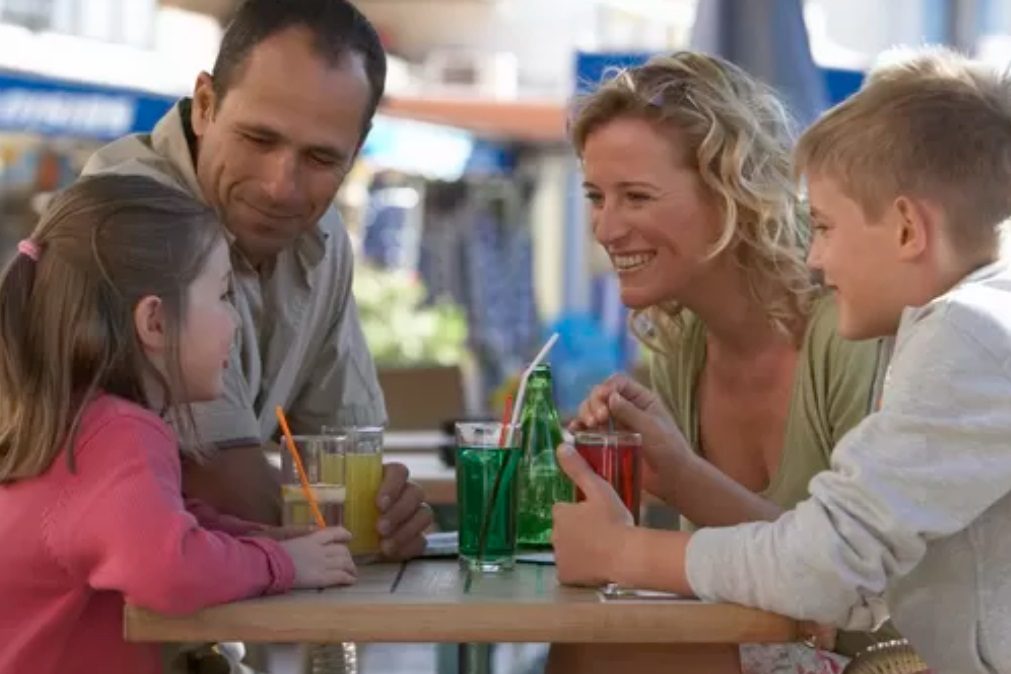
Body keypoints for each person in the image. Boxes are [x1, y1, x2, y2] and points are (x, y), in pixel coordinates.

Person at [553, 47, 1011, 674]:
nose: (814, 259)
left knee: (602, 652)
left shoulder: (959, 331)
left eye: (822, 227)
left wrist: (623, 552)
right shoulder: (684, 339)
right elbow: (851, 560)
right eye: (596, 197)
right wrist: (678, 477)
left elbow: (838, 574)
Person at [81, 0, 431, 558]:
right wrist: (346, 524)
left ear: (355, 155)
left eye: (320, 158)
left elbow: (345, 452)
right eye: (259, 139)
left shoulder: (323, 237)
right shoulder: (130, 214)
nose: (280, 187)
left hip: (198, 617)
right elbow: (221, 484)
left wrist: (385, 511)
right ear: (203, 106)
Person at [0, 175, 357, 674]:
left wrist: (260, 540)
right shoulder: (119, 433)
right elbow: (168, 568)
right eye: (223, 295)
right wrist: (285, 566)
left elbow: (168, 525)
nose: (234, 320)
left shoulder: (74, 423)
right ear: (156, 322)